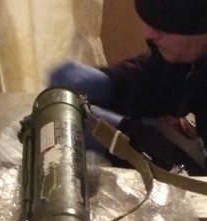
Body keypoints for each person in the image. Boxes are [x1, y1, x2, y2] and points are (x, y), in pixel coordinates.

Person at [49, 0, 207, 175]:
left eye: (165, 27)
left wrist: (124, 139)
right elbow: (166, 77)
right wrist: (111, 83)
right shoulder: (190, 51)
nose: (148, 33)